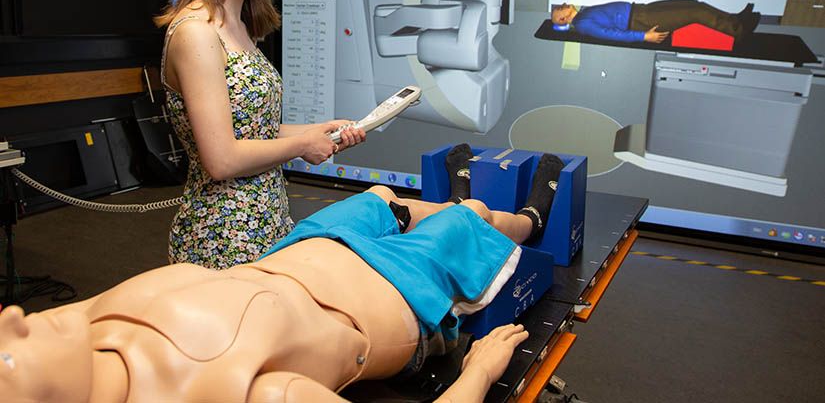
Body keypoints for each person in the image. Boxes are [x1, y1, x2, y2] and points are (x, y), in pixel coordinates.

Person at [0, 147, 566, 403]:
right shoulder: (226, 391)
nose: (11, 318)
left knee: (379, 197)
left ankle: (454, 210)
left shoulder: (85, 325)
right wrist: (480, 373)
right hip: (394, 294)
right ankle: (524, 219)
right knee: (472, 219)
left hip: (296, 254)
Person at [154, 0, 366, 269]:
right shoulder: (196, 31)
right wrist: (302, 144)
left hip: (266, 222)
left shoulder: (239, 28)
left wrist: (318, 131)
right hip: (222, 236)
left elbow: (249, 129)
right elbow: (220, 159)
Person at [550, 0, 761, 44]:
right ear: (563, 18)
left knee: (693, 4)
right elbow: (611, 34)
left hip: (641, 11)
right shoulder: (583, 24)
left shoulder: (584, 15)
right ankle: (738, 29)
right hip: (640, 21)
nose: (565, 4)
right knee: (694, 12)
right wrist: (645, 36)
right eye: (561, 8)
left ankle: (734, 19)